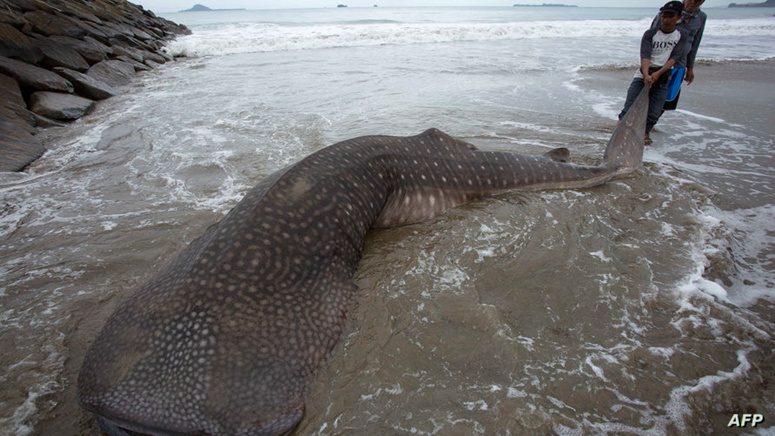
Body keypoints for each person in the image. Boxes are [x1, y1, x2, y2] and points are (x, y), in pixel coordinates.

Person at [617, 1, 689, 144]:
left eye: (670, 16)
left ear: (679, 17)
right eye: (664, 16)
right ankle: (618, 137)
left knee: (654, 114)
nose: (666, 20)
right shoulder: (651, 34)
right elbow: (645, 55)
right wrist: (646, 75)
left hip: (663, 76)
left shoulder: (682, 35)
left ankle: (642, 139)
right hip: (644, 74)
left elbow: (675, 57)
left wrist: (659, 73)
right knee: (629, 108)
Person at [652, 0, 707, 111]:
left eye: (697, 0)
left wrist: (690, 68)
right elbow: (651, 38)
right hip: (661, 63)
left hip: (679, 66)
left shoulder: (701, 17)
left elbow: (695, 44)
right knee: (651, 97)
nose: (692, 2)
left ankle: (650, 124)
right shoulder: (669, 12)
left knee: (667, 101)